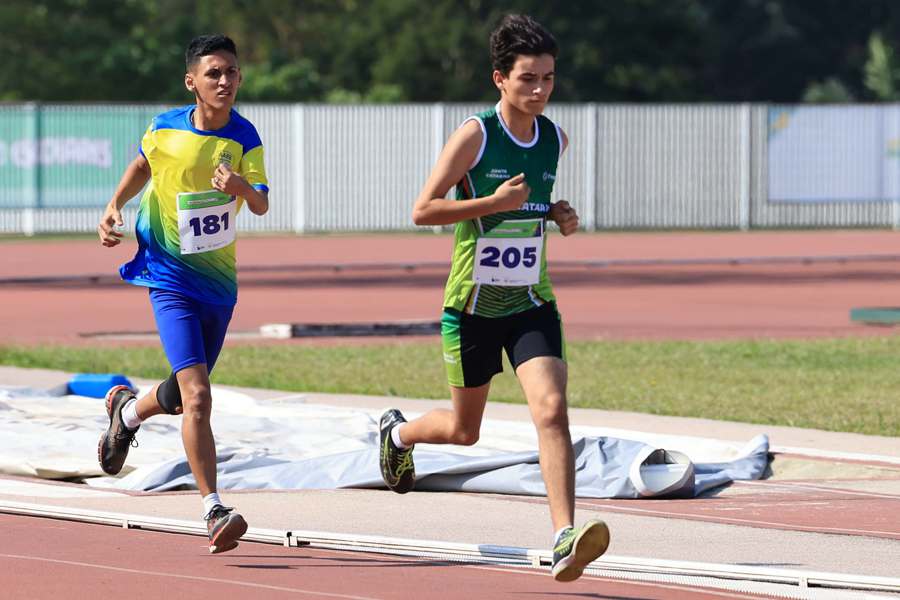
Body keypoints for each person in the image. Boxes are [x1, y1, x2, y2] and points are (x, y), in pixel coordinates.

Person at [379, 14, 608, 582]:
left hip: (531, 301)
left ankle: (563, 537)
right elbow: (423, 210)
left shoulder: (555, 138)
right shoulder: (476, 136)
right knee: (464, 430)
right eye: (528, 79)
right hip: (473, 307)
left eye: (549, 79)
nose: (540, 90)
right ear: (499, 79)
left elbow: (536, 208)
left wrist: (559, 216)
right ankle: (398, 434)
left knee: (552, 411)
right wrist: (490, 205)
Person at [96, 34, 269, 554]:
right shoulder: (165, 126)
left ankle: (127, 413)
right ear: (191, 81)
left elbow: (259, 202)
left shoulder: (245, 135)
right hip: (167, 275)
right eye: (214, 73)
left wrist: (239, 186)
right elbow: (144, 165)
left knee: (179, 393)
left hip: (218, 284)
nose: (225, 81)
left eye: (232, 72)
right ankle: (213, 506)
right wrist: (113, 205)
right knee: (198, 397)